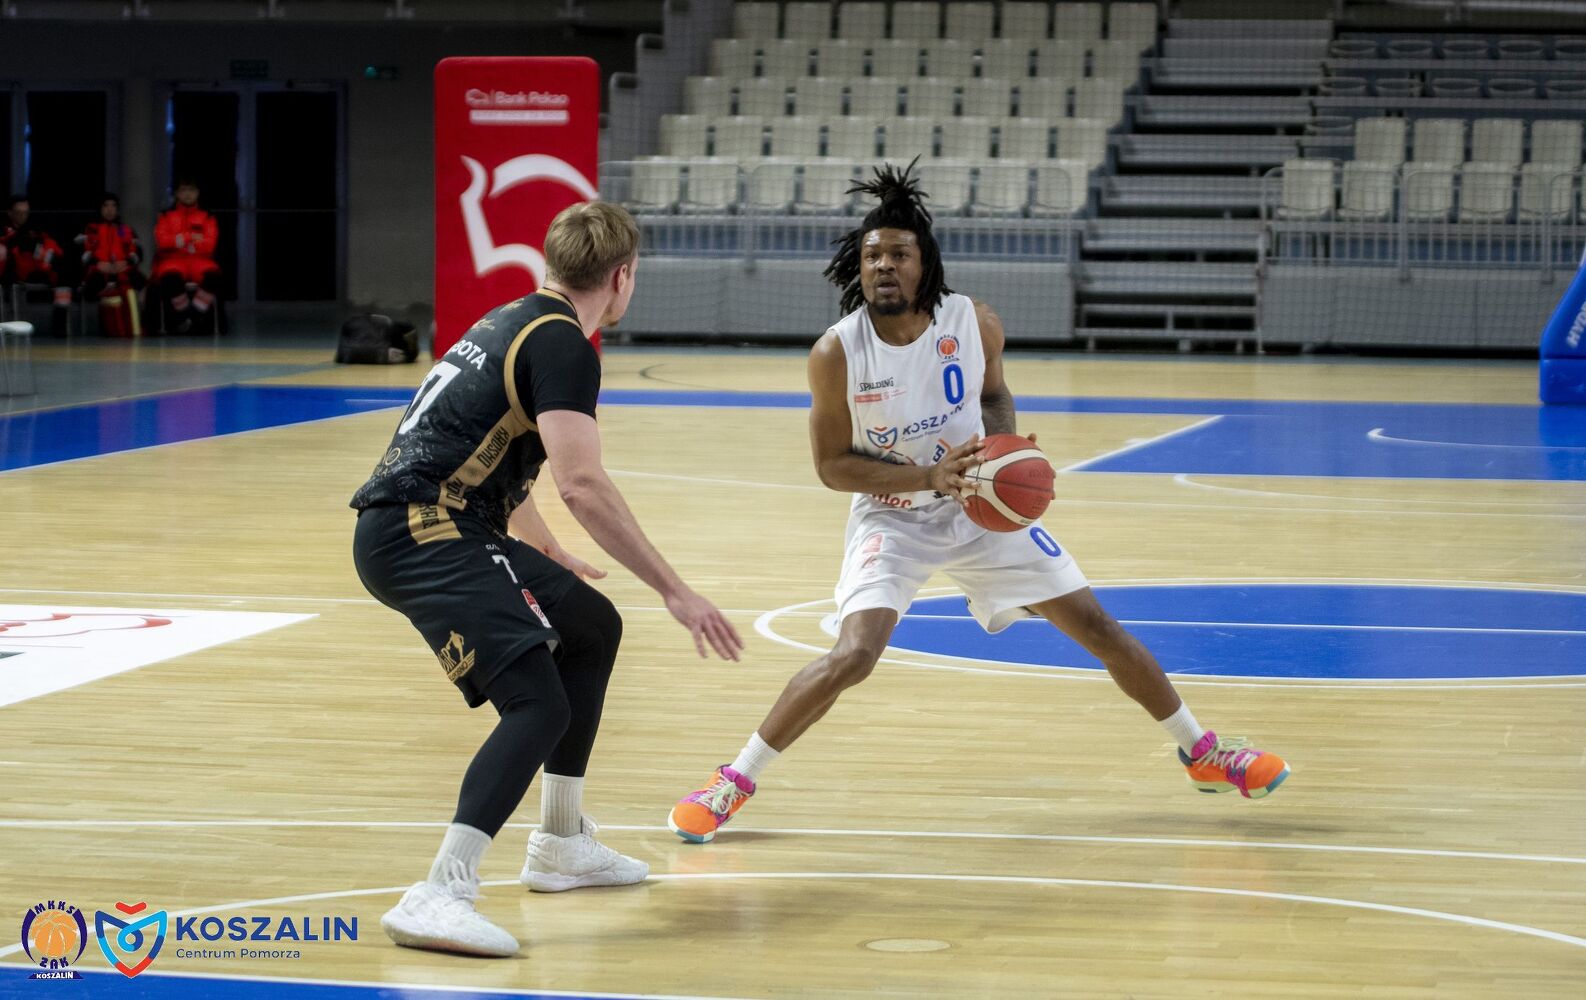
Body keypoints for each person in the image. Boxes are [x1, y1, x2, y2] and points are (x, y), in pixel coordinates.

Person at [668, 162, 1290, 845]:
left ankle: (1203, 752)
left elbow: (993, 394)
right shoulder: (836, 353)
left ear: (925, 264)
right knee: (856, 654)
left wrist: (1002, 450)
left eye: (898, 255)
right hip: (893, 514)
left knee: (1098, 626)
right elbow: (831, 467)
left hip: (976, 506)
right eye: (872, 256)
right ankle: (732, 781)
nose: (883, 266)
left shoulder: (974, 321)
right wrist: (930, 477)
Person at [351, 200, 745, 957]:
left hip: (431, 521)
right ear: (623, 277)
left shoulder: (511, 319)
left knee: (591, 625)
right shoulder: (564, 345)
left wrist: (548, 552)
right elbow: (582, 484)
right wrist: (675, 589)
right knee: (537, 705)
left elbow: (490, 453)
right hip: (422, 531)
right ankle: (441, 891)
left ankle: (562, 843)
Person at [151, 179, 221, 334]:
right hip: (173, 260)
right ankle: (185, 317)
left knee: (214, 276)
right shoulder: (165, 216)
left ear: (198, 193)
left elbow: (210, 245)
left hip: (200, 260)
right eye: (183, 190)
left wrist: (178, 240)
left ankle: (191, 317)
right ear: (177, 193)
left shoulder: (208, 216)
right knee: (170, 278)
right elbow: (162, 242)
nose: (188, 194)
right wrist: (190, 237)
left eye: (192, 190)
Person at [0, 195, 72, 337]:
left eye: (25, 213)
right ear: (10, 213)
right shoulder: (3, 231)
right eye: (19, 213)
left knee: (64, 273)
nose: (22, 216)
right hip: (12, 273)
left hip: (38, 270)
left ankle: (60, 321)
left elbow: (52, 248)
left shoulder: (35, 230)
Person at [79, 192, 147, 300]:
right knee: (91, 288)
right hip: (98, 271)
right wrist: (98, 263)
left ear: (117, 209)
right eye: (106, 205)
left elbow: (137, 251)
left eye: (113, 206)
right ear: (100, 208)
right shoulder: (92, 228)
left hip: (123, 270)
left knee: (145, 285)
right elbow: (82, 251)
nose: (109, 209)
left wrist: (126, 262)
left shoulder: (123, 229)